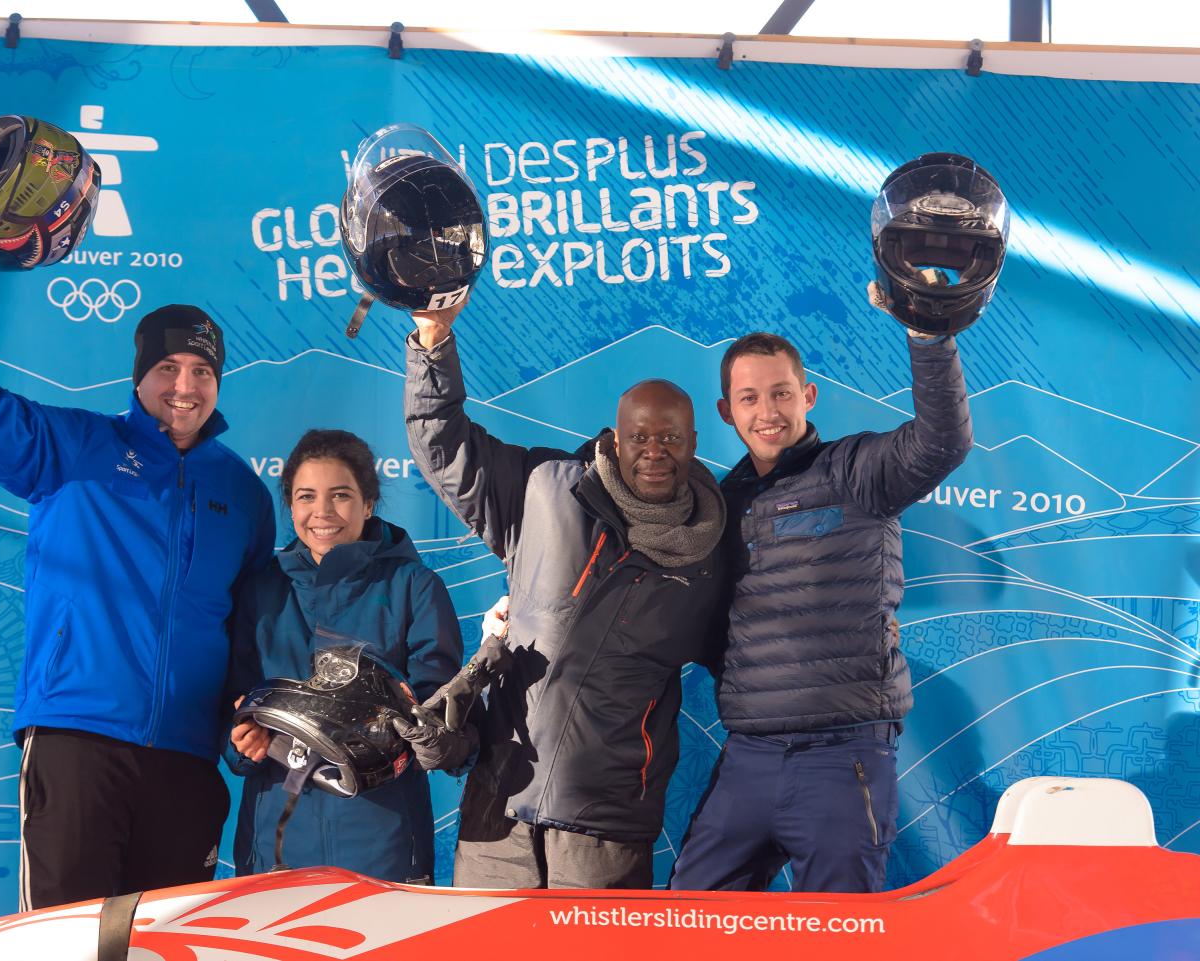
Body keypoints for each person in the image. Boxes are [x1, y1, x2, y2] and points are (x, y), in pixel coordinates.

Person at [0, 198, 276, 909]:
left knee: (164, 949)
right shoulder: (77, 447)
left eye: (202, 370)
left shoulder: (243, 491)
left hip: (185, 759)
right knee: (65, 943)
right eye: (168, 366)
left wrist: (248, 717)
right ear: (140, 375)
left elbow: (251, 627)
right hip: (77, 738)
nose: (185, 385)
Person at [402, 301, 728, 890]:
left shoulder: (714, 554)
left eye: (670, 437)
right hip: (497, 813)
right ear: (616, 436)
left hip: (605, 832)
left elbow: (752, 659)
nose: (654, 450)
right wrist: (433, 340)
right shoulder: (544, 489)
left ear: (694, 441)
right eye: (639, 436)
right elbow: (445, 447)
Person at [669, 284, 974, 894]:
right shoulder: (721, 507)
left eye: (782, 393)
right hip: (748, 757)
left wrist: (929, 336)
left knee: (839, 940)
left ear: (807, 395)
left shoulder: (857, 470)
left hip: (843, 757)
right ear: (727, 411)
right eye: (750, 398)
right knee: (690, 924)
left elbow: (944, 441)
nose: (768, 412)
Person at [226, 429, 465, 883]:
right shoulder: (260, 590)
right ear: (290, 506)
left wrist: (398, 722)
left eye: (341, 495)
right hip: (275, 839)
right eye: (306, 496)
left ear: (368, 503)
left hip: (383, 835)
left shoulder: (414, 587)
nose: (323, 512)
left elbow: (440, 710)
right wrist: (242, 738)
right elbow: (232, 701)